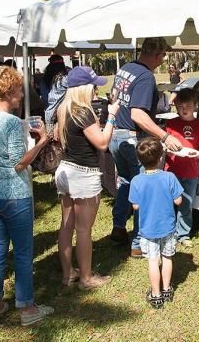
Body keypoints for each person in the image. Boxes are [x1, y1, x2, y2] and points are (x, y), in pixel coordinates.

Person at [0, 66, 54, 326]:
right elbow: (19, 164)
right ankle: (27, 308)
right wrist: (42, 141)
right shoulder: (10, 122)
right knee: (22, 253)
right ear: (9, 92)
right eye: (20, 90)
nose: (22, 95)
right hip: (15, 194)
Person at [108, 37, 182, 258]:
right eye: (163, 56)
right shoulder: (145, 76)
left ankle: (118, 227)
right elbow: (138, 114)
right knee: (144, 189)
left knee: (127, 184)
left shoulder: (125, 68)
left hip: (115, 135)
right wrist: (164, 136)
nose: (162, 61)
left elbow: (113, 98)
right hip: (131, 138)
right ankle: (138, 244)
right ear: (157, 55)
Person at [55, 66, 120, 290]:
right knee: (83, 229)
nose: (96, 90)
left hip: (65, 170)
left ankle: (67, 274)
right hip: (84, 174)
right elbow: (102, 143)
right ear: (84, 88)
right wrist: (111, 117)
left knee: (66, 224)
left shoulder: (64, 108)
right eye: (93, 86)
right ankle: (86, 277)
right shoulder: (83, 112)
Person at [129, 137, 183, 308]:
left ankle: (156, 294)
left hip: (148, 229)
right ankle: (167, 289)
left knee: (153, 261)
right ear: (161, 157)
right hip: (168, 227)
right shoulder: (170, 177)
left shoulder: (137, 180)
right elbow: (178, 201)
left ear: (139, 159)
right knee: (167, 258)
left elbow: (136, 206)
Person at [165, 88, 199, 246]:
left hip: (191, 171)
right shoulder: (171, 124)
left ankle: (183, 234)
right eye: (181, 106)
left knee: (187, 203)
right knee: (169, 202)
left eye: (188, 106)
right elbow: (163, 143)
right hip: (171, 170)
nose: (184, 110)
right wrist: (166, 148)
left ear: (195, 106)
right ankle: (168, 231)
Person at [44, 58, 68, 130]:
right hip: (59, 115)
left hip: (49, 113)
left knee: (50, 137)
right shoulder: (63, 79)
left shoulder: (45, 79)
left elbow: (45, 97)